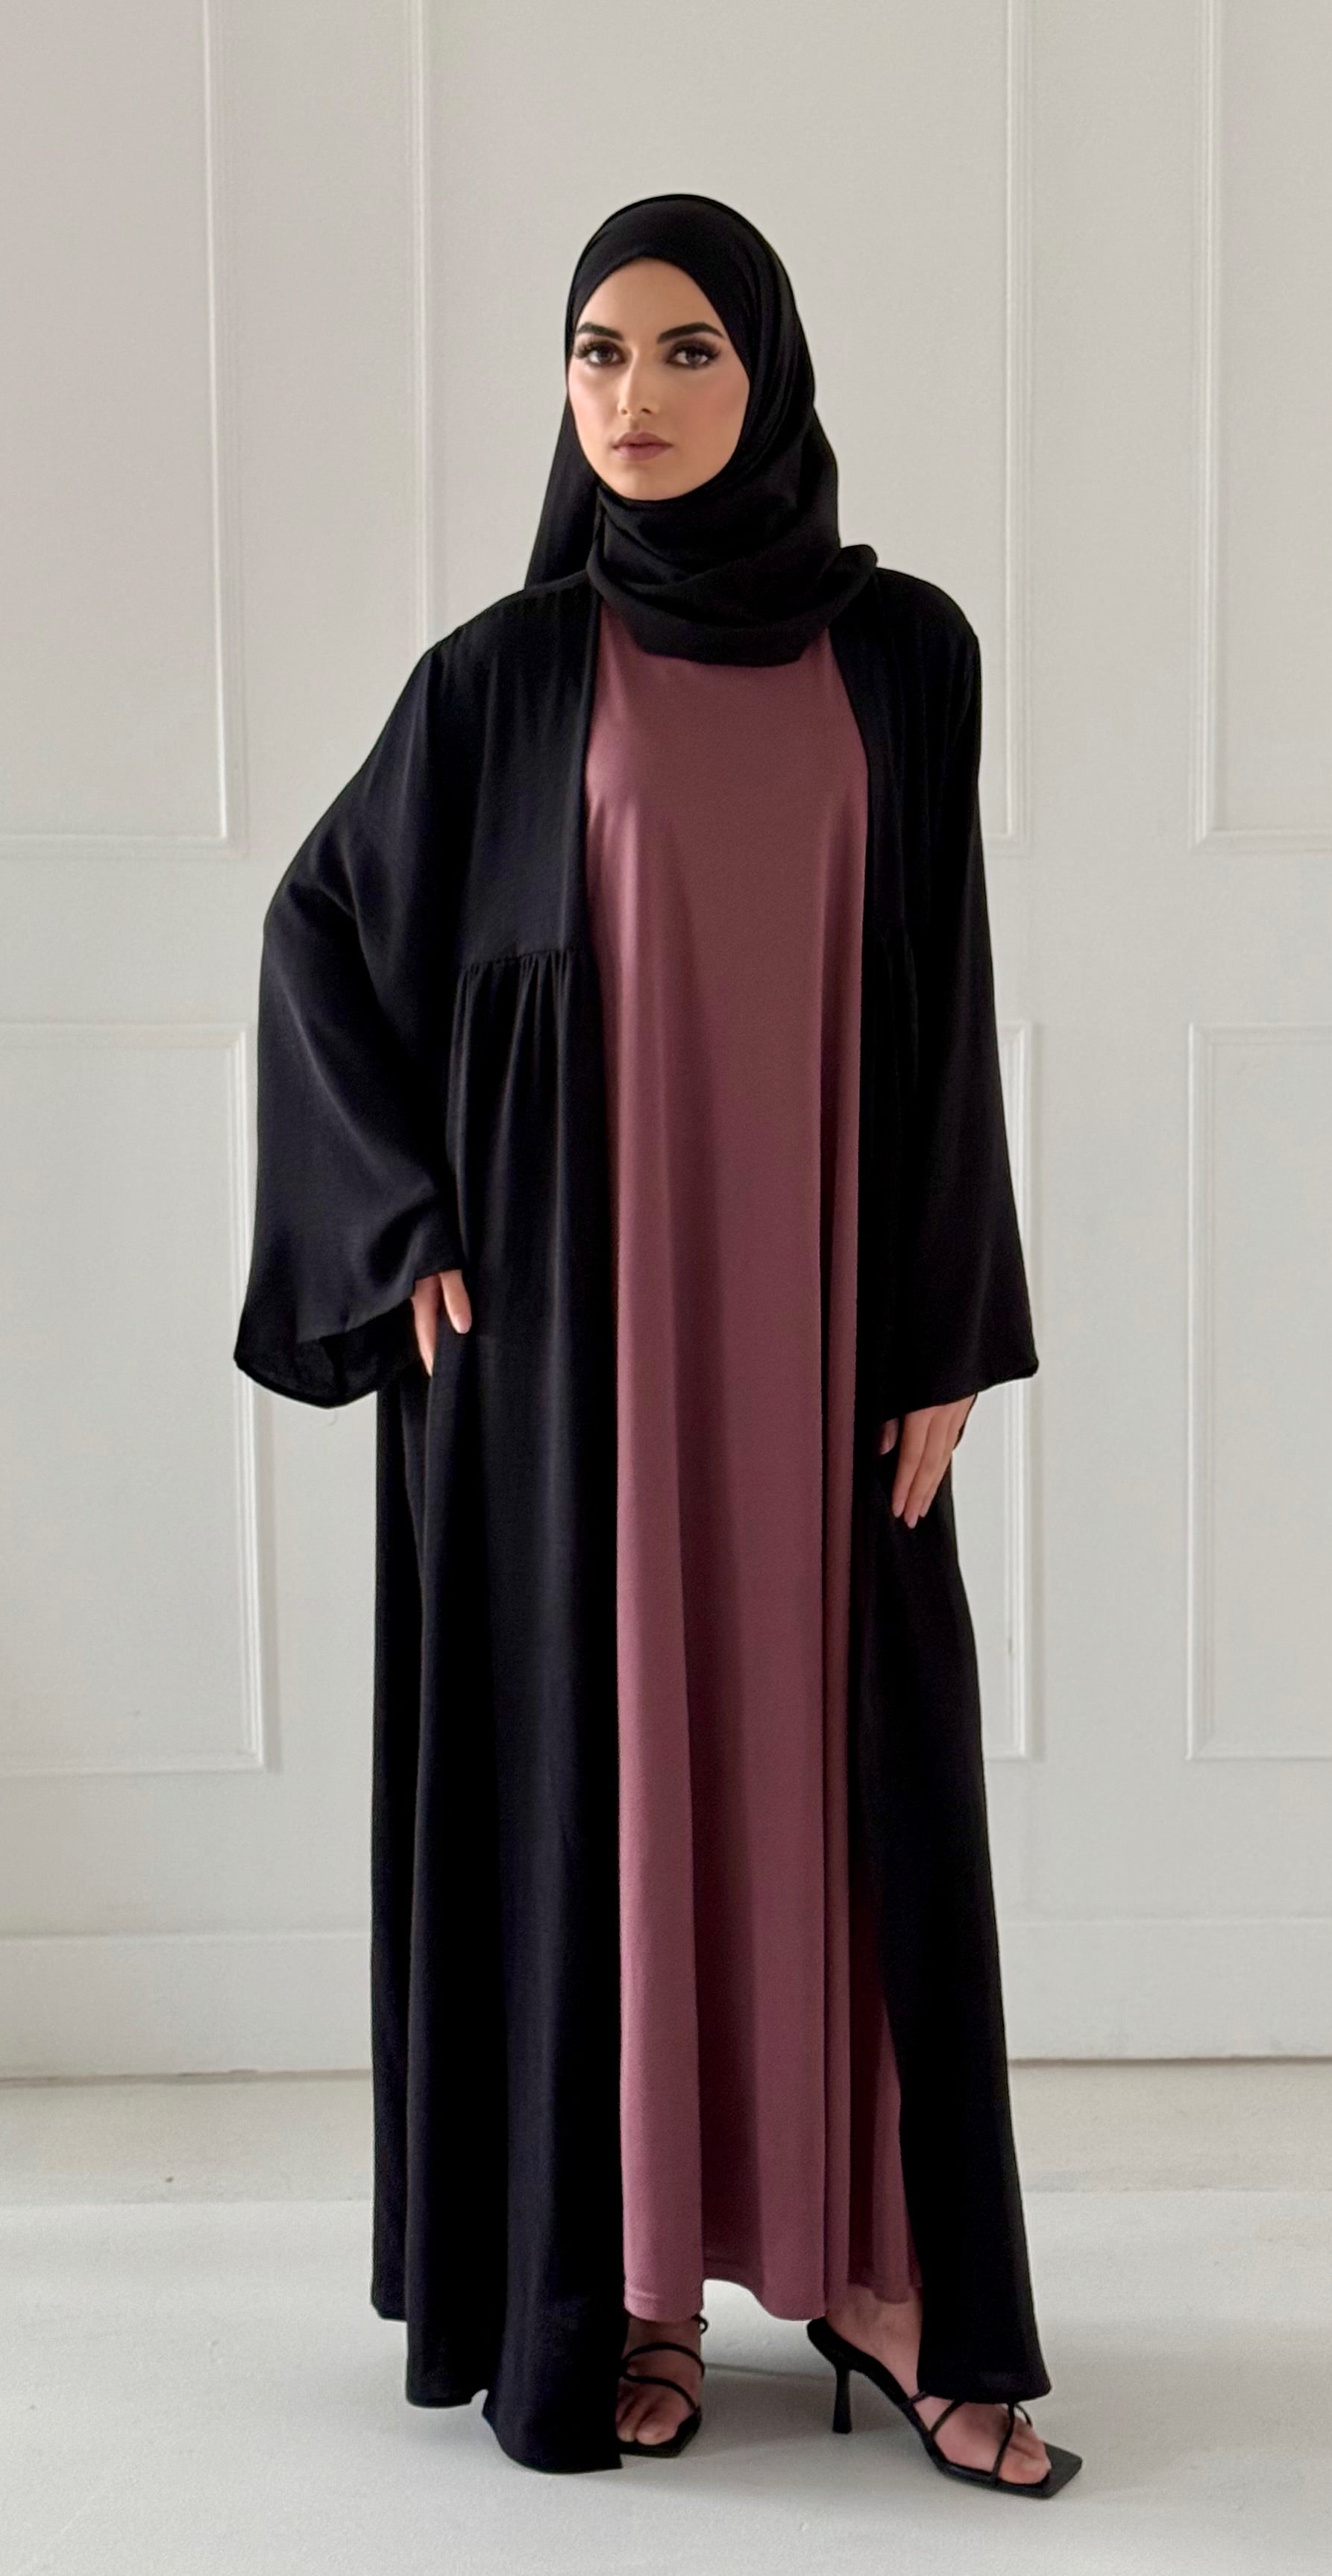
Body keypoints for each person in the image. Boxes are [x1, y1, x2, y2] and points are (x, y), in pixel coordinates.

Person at [233, 191, 1081, 2500]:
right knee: (604, 1775)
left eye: (685, 348)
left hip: (824, 1323)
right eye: (596, 350)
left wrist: (948, 1322)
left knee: (838, 1761)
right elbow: (319, 934)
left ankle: (882, 2276)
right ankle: (625, 2281)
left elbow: (942, 996)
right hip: (569, 1367)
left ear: (767, 371)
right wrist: (398, 1220)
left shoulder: (905, 655)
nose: (630, 395)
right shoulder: (508, 680)